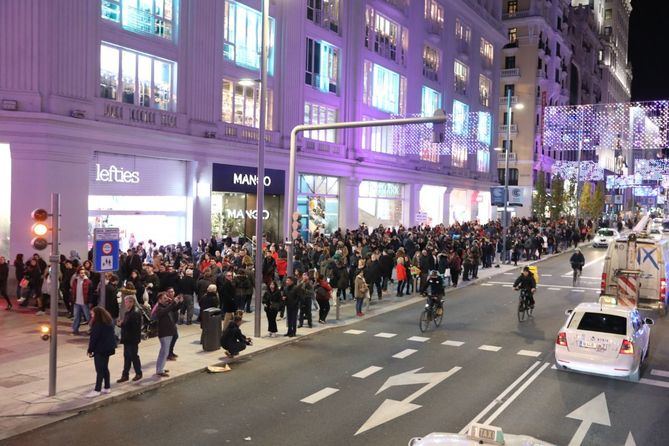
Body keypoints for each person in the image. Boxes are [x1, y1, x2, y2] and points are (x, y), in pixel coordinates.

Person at [86, 306, 117, 398]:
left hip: (100, 349)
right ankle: (107, 387)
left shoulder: (98, 324)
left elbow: (94, 339)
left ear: (97, 314)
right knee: (105, 368)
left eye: (92, 314)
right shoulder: (108, 322)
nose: (91, 315)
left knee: (99, 369)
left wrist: (90, 349)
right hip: (108, 348)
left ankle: (97, 389)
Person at [153, 291, 181, 377]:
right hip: (164, 333)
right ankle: (160, 370)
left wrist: (179, 302)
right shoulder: (159, 308)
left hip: (169, 332)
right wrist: (173, 302)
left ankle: (160, 368)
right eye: (164, 298)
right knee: (164, 352)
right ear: (159, 300)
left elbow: (174, 308)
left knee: (164, 352)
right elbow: (166, 310)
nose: (166, 300)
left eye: (166, 298)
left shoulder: (165, 306)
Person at [117, 295, 143, 383]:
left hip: (132, 339)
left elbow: (133, 327)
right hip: (128, 339)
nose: (125, 304)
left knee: (133, 356)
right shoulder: (129, 312)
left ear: (132, 302)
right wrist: (121, 323)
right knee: (127, 357)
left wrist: (122, 324)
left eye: (127, 302)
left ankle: (138, 373)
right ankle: (125, 375)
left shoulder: (135, 312)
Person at [71, 267, 92, 335]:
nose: (82, 274)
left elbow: (90, 292)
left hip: (85, 302)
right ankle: (75, 330)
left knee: (88, 317)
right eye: (80, 273)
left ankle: (92, 329)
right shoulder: (75, 281)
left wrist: (90, 302)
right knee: (76, 317)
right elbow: (73, 291)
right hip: (77, 302)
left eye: (83, 273)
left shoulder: (88, 281)